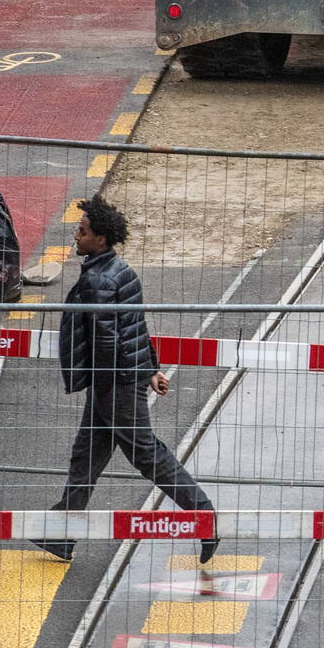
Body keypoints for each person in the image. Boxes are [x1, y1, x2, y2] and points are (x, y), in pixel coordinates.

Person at [38, 197, 217, 565]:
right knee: (86, 457)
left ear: (100, 239)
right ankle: (61, 534)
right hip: (121, 378)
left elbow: (107, 340)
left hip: (114, 382)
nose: (76, 234)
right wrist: (149, 369)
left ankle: (204, 517)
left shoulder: (98, 280)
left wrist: (106, 385)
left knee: (146, 454)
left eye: (83, 230)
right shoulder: (120, 270)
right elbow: (135, 327)